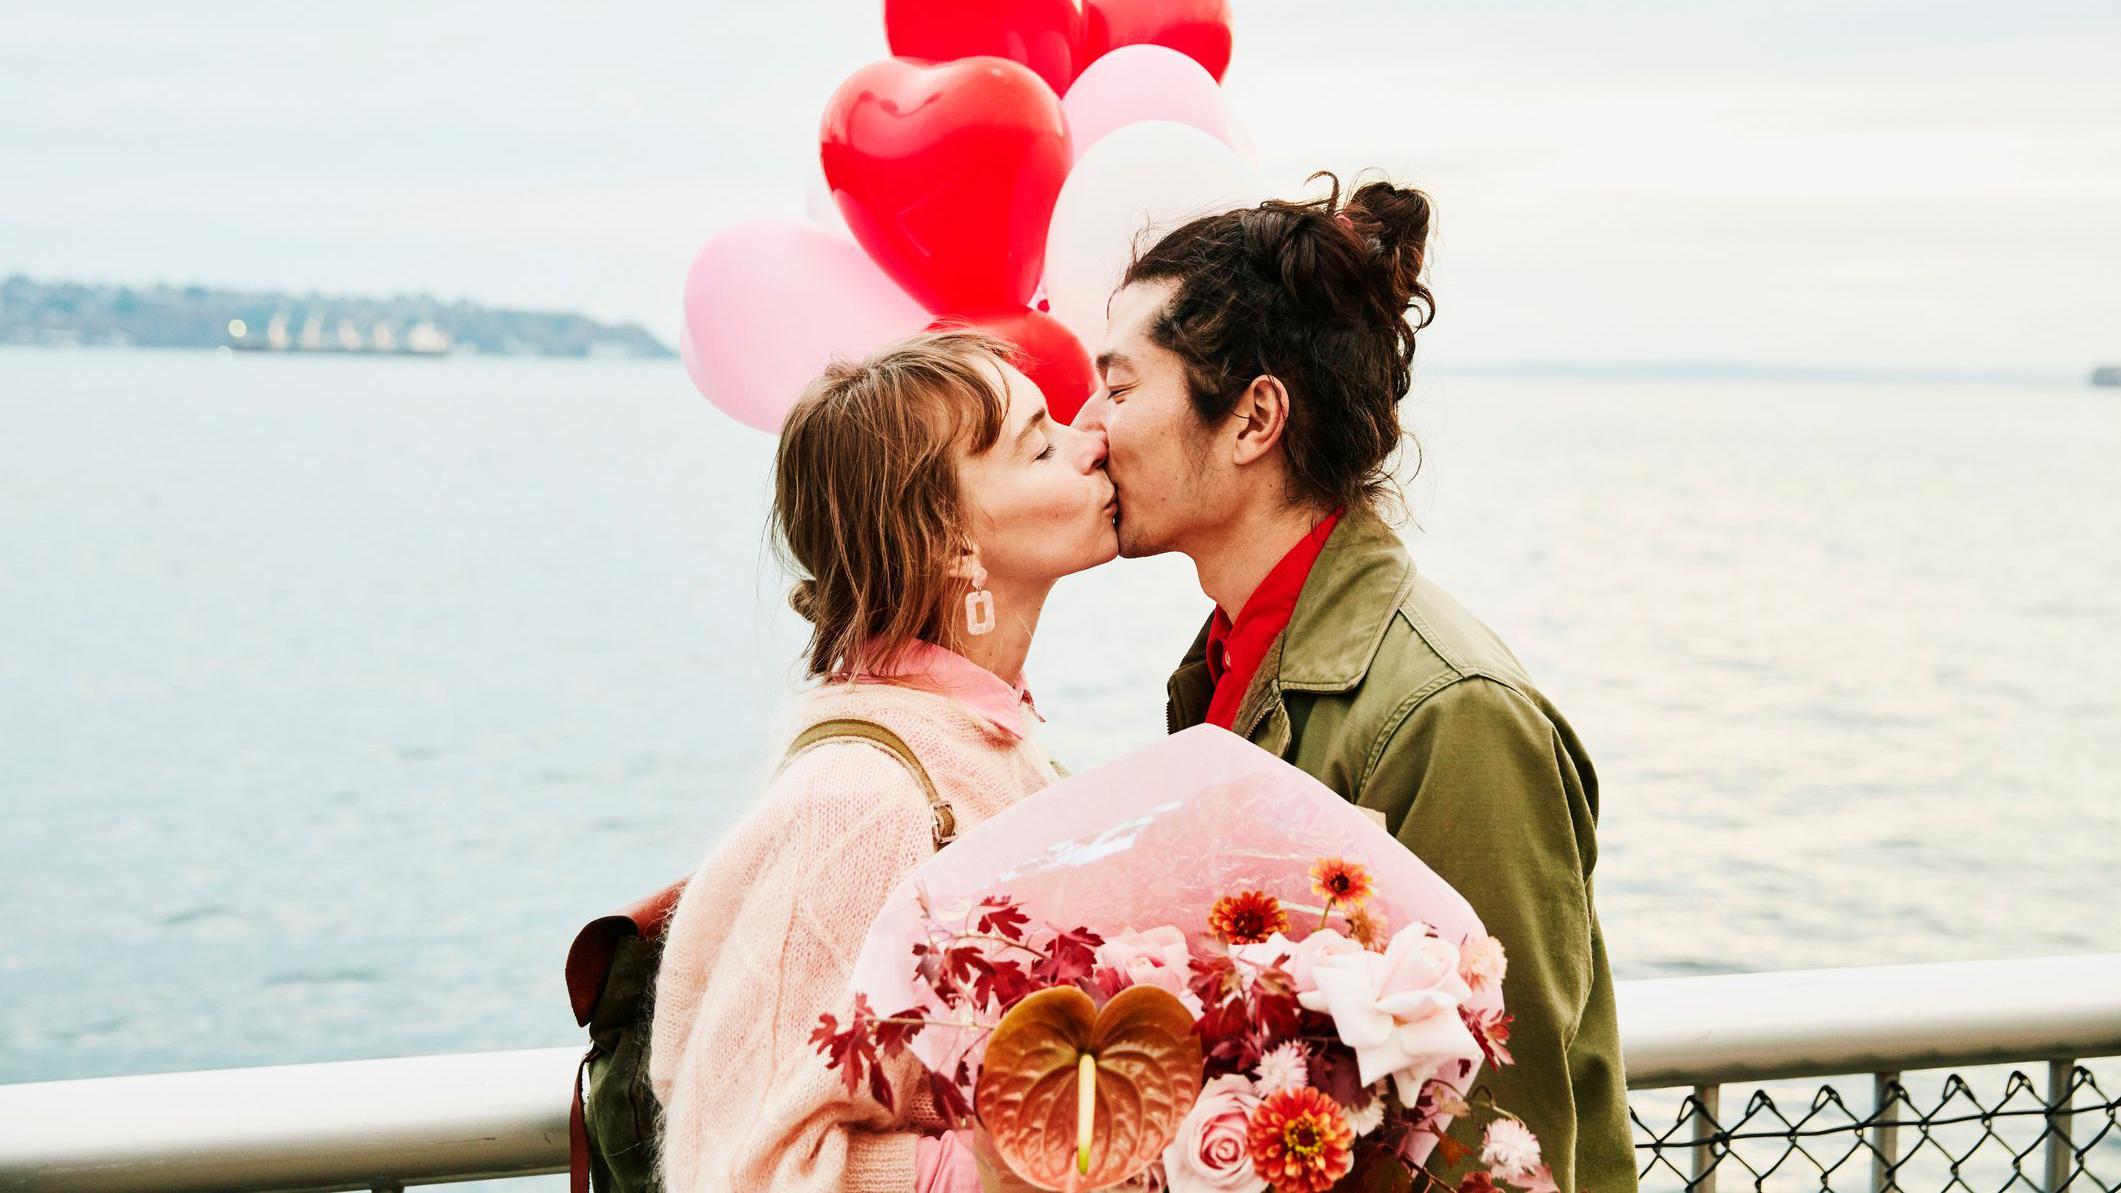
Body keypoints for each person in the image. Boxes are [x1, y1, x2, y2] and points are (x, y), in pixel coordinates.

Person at [1072, 174, 1638, 1191]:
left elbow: (1504, 1140)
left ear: (1253, 419)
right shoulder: (1221, 666)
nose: (1085, 431)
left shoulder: (1449, 714)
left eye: (1117, 389)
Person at [648, 330, 1115, 1192]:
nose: (1095, 444)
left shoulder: (989, 740)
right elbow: (739, 1170)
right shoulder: (858, 806)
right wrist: (1011, 1171)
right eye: (1041, 444)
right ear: (947, 540)